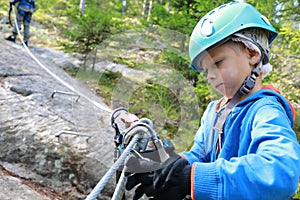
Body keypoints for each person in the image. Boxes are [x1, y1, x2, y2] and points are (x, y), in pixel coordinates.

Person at [124, 2, 300, 200]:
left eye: (217, 63)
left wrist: (190, 178)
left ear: (252, 54)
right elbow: (199, 155)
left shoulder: (266, 110)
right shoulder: (213, 111)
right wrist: (167, 166)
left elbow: (281, 172)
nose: (210, 76)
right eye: (206, 70)